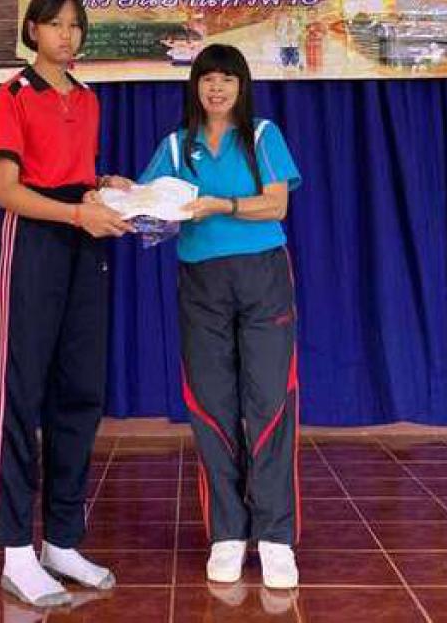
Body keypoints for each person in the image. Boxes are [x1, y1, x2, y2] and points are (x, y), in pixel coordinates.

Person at [0, 0, 134, 608]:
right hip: (35, 244)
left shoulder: (89, 98)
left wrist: (106, 186)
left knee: (81, 392)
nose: (66, 35)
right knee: (21, 393)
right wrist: (76, 213)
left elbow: (77, 175)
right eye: (54, 24)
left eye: (75, 25)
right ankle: (17, 550)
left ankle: (62, 541)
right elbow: (8, 192)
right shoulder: (11, 95)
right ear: (33, 31)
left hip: (84, 245)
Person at [138, 43, 303, 590]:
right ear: (195, 86)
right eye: (207, 78)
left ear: (241, 86)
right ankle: (227, 534)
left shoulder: (262, 135)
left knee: (269, 402)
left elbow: (276, 204)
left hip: (263, 278)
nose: (216, 88)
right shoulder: (175, 145)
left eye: (226, 79)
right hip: (201, 284)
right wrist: (122, 194)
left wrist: (220, 205)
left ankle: (276, 538)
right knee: (211, 405)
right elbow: (150, 206)